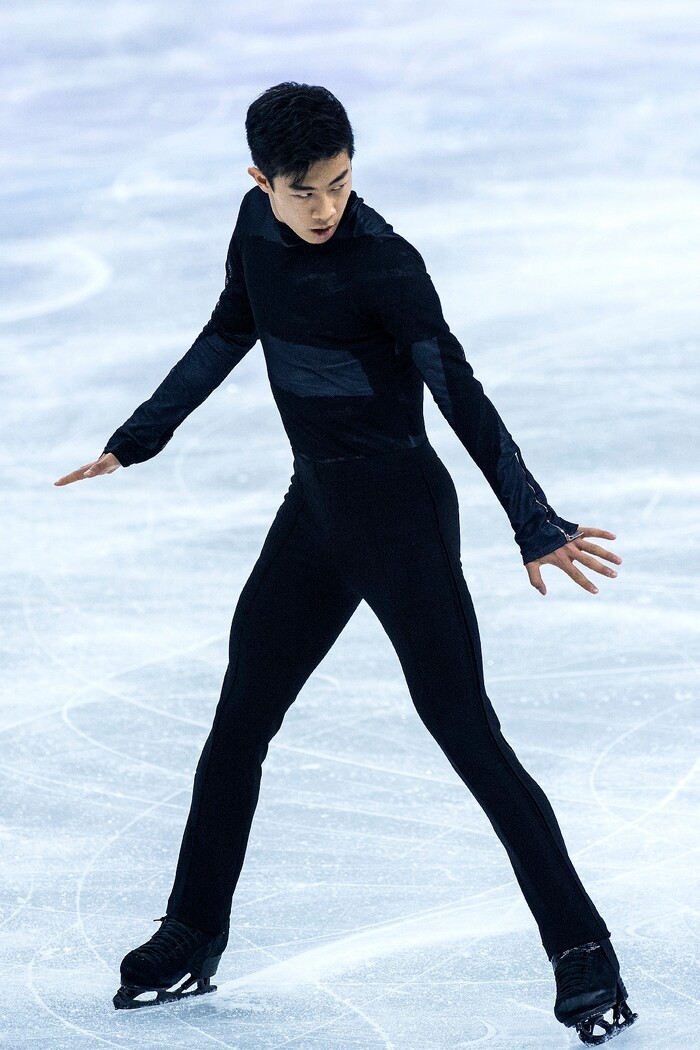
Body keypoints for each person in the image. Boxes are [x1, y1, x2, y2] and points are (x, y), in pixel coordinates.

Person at [55, 82, 636, 1043]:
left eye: (341, 184)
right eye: (305, 191)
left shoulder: (387, 264)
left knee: (467, 733)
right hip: (316, 512)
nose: (327, 207)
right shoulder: (253, 229)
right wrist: (139, 436)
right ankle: (192, 930)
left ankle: (584, 955)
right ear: (259, 182)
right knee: (238, 721)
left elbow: (462, 393)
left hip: (402, 516)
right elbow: (228, 331)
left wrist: (533, 520)